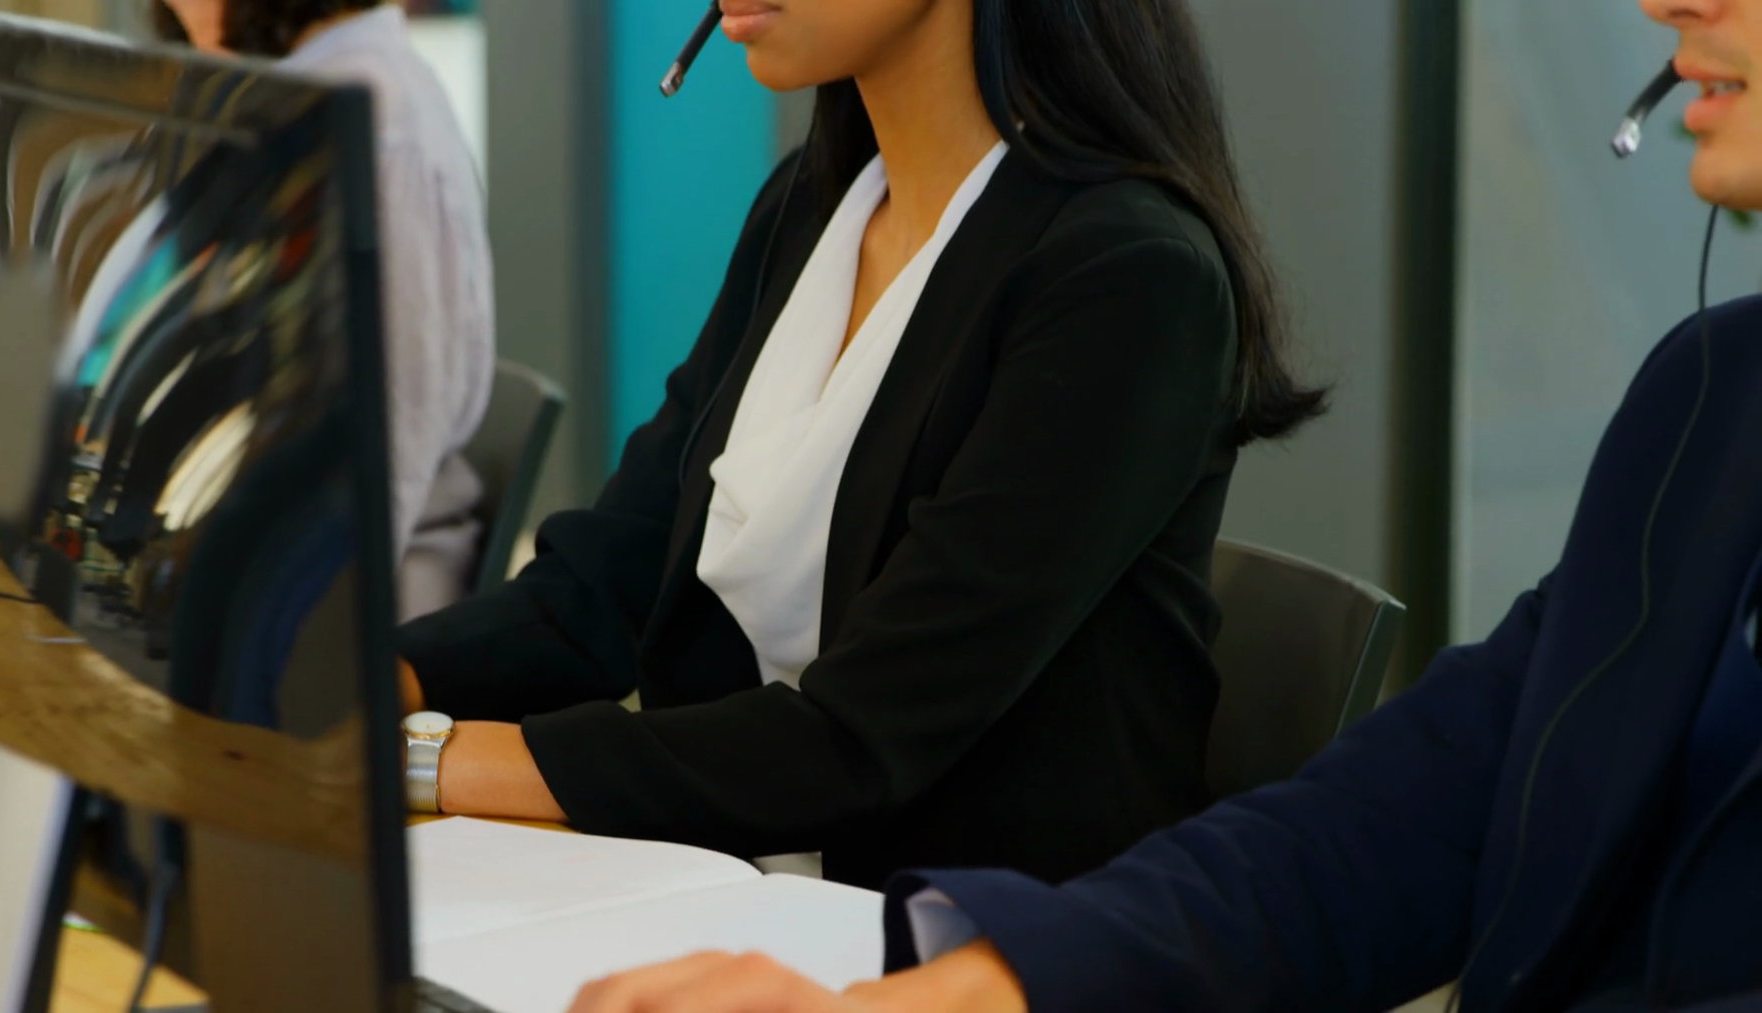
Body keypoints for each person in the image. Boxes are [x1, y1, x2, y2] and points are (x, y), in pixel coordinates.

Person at [558, 0, 1762, 1007]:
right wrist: (957, 988)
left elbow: (856, 735)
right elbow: (1408, 815)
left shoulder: (1122, 265)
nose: (1667, 3)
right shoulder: (1707, 406)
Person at [392, 0, 1324, 890]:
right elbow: (611, 579)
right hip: (735, 894)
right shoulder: (811, 207)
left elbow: (862, 737)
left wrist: (425, 761)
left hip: (970, 937)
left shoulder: (1128, 274)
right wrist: (371, 686)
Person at [153, 0, 496, 622]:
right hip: (260, 551)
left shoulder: (379, 127)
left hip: (355, 606)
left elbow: (380, 473)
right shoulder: (286, 97)